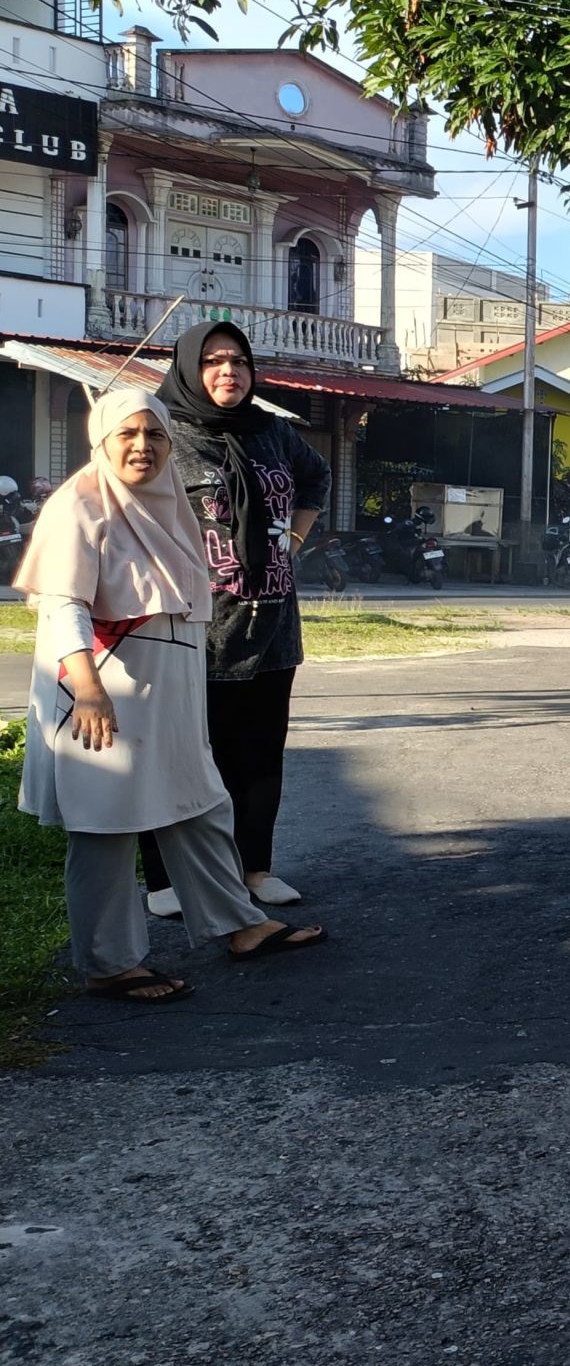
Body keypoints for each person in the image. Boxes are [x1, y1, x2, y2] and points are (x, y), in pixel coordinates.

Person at [21, 389, 327, 1004]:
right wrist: (88, 690)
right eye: (127, 434)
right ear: (101, 440)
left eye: (156, 434)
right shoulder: (80, 504)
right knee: (105, 825)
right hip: (104, 690)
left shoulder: (167, 506)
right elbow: (62, 605)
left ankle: (241, 924)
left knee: (199, 802)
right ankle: (109, 965)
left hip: (170, 689)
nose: (143, 446)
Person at [141, 321, 331, 920]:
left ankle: (255, 869)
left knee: (260, 758)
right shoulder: (164, 430)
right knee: (181, 755)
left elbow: (316, 476)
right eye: (214, 361)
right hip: (193, 629)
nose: (230, 371)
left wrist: (292, 540)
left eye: (240, 361)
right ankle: (165, 876)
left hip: (272, 625)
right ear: (189, 368)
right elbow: (126, 503)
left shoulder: (272, 430)